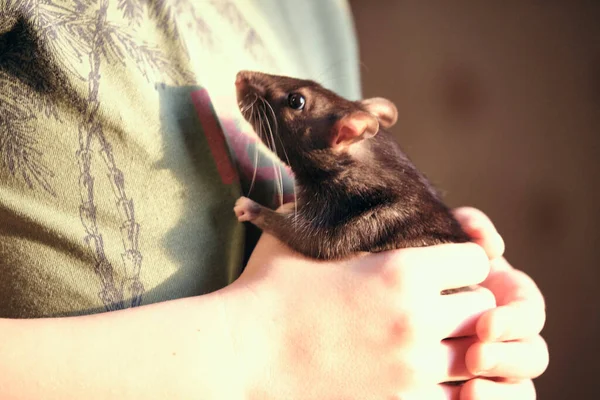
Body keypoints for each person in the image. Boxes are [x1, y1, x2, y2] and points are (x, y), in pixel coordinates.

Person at [0, 0, 547, 398]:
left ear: (347, 134)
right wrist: (255, 348)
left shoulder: (315, 11)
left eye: (294, 99)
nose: (250, 81)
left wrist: (462, 332)